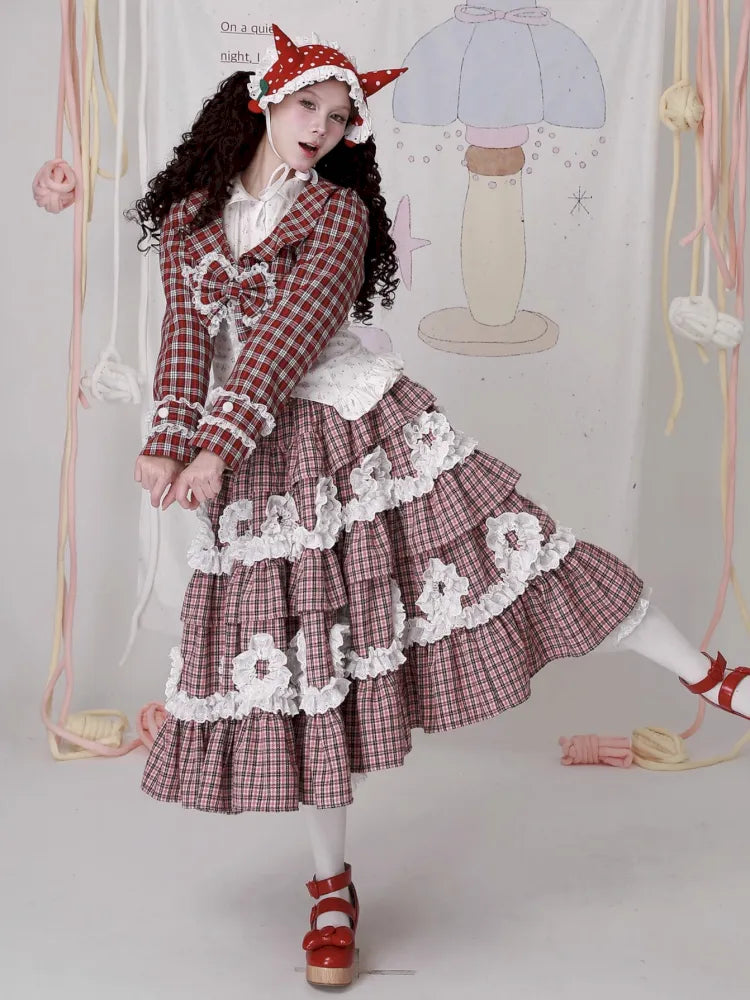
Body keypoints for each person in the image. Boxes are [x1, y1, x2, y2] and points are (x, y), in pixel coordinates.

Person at [129, 24, 749, 988]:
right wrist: (167, 444)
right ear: (265, 100)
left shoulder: (337, 215)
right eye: (308, 107)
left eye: (340, 118)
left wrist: (212, 447)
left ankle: (710, 675)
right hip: (260, 467)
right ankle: (330, 887)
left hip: (353, 431)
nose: (322, 128)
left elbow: (287, 339)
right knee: (308, 673)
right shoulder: (191, 218)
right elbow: (184, 338)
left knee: (523, 553)